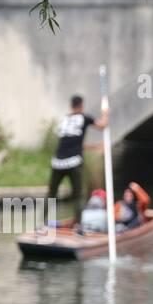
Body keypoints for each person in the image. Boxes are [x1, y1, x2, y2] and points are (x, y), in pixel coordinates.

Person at [48, 94, 108, 223]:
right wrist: (106, 112)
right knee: (78, 195)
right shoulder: (84, 117)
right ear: (81, 105)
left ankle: (43, 224)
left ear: (71, 106)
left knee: (51, 195)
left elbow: (74, 143)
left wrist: (96, 146)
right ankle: (79, 227)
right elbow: (103, 125)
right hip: (74, 162)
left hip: (57, 162)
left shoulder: (64, 120)